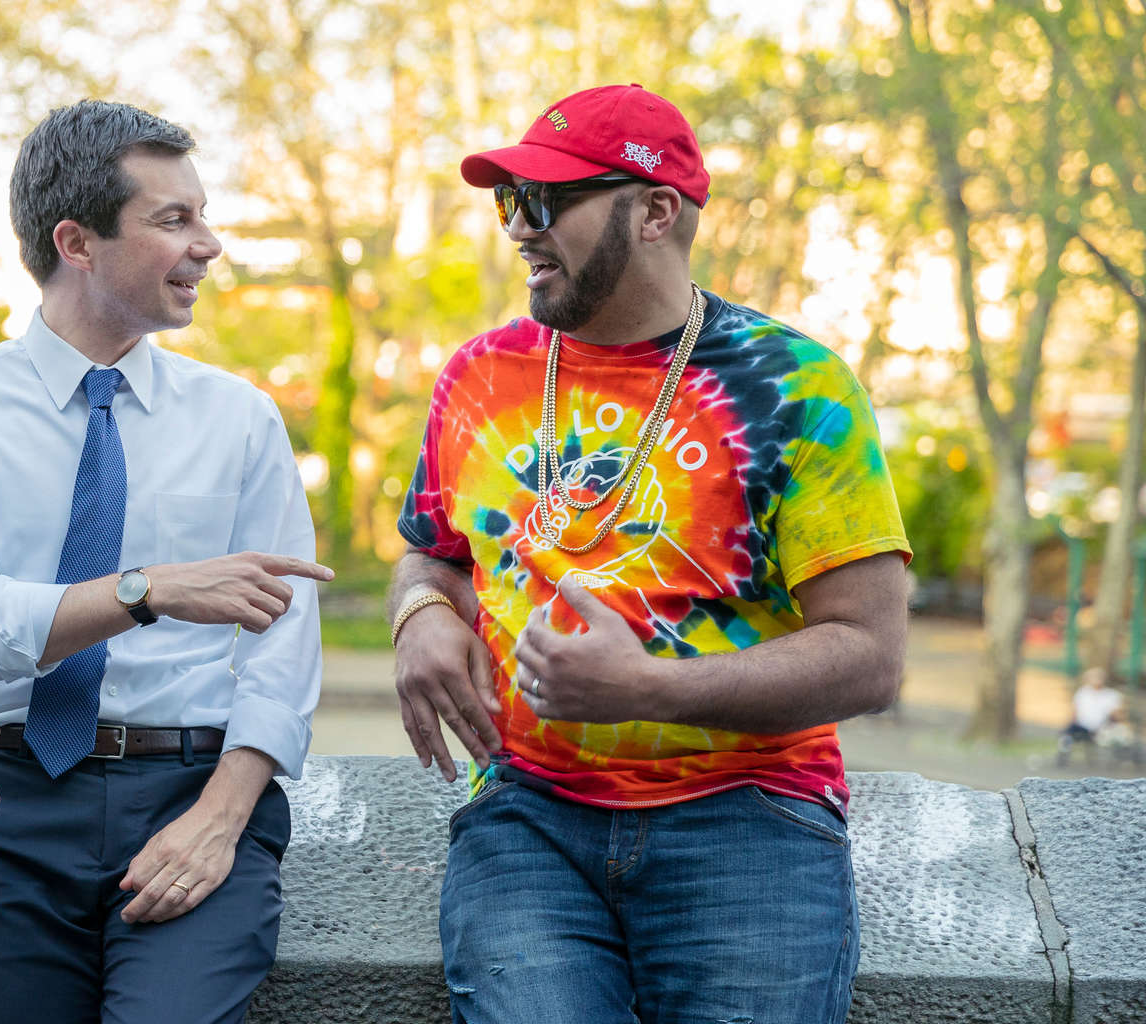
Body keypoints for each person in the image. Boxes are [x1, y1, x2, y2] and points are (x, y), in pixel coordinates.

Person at [387, 84, 911, 1024]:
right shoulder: (477, 376)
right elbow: (433, 556)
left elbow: (871, 658)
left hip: (749, 815)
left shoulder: (798, 385)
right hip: (527, 818)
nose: (517, 230)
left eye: (543, 203)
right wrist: (420, 616)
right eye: (508, 202)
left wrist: (649, 690)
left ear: (655, 210)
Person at [0, 99, 331, 1024]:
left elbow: (283, 654)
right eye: (175, 219)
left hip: (194, 789)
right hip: (7, 803)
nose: (209, 244)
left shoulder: (239, 418)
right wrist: (146, 592)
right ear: (76, 242)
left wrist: (220, 817)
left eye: (202, 214)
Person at [1058, 666, 1123, 766]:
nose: (1096, 680)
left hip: (1101, 727)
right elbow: (1074, 711)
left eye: (1098, 677)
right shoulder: (1083, 693)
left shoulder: (1111, 695)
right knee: (1067, 731)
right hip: (1082, 725)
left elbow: (1116, 715)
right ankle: (1064, 751)